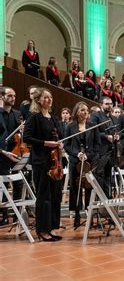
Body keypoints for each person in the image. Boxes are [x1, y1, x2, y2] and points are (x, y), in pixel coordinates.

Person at [23, 88, 63, 241]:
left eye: (50, 97)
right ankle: (42, 230)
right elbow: (27, 138)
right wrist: (46, 143)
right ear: (38, 100)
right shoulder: (34, 118)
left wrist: (60, 144)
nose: (49, 99)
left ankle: (51, 228)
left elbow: (59, 136)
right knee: (44, 197)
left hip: (55, 162)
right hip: (41, 162)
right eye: (46, 97)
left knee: (54, 196)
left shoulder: (53, 118)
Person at [63, 102, 100, 228]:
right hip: (75, 161)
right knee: (75, 188)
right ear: (77, 112)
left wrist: (88, 155)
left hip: (89, 162)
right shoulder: (70, 126)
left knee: (89, 187)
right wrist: (77, 153)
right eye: (83, 110)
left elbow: (97, 145)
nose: (86, 112)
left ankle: (90, 214)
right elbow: (67, 145)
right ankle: (77, 214)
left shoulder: (92, 125)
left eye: (87, 110)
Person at [0, 87, 22, 225]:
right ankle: (3, 215)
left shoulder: (17, 114)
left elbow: (19, 136)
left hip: (14, 153)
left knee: (18, 183)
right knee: (2, 185)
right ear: (1, 96)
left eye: (14, 96)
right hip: (1, 154)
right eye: (9, 95)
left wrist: (22, 132)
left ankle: (17, 215)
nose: (13, 98)